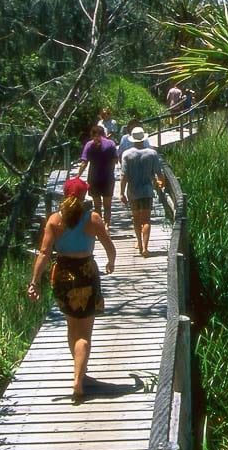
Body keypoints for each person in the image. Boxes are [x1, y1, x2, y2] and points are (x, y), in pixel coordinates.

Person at [27, 177, 117, 401]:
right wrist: (111, 262)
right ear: (84, 195)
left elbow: (44, 253)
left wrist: (34, 281)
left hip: (64, 276)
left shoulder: (55, 220)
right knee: (85, 332)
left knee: (72, 326)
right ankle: (79, 378)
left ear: (65, 194)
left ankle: (79, 372)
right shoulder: (93, 218)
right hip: (86, 273)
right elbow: (109, 245)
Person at [120, 126, 165, 257]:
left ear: (132, 139)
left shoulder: (127, 154)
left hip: (133, 191)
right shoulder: (152, 153)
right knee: (146, 220)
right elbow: (159, 174)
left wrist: (121, 193)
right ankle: (145, 247)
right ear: (143, 139)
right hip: (146, 190)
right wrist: (161, 184)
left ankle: (139, 242)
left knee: (136, 219)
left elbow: (124, 176)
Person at [76, 124, 118, 223]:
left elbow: (84, 163)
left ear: (92, 134)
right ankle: (107, 226)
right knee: (107, 206)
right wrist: (110, 169)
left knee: (97, 206)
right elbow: (115, 160)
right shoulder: (111, 144)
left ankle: (99, 227)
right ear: (104, 133)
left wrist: (78, 176)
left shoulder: (89, 145)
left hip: (93, 178)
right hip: (108, 178)